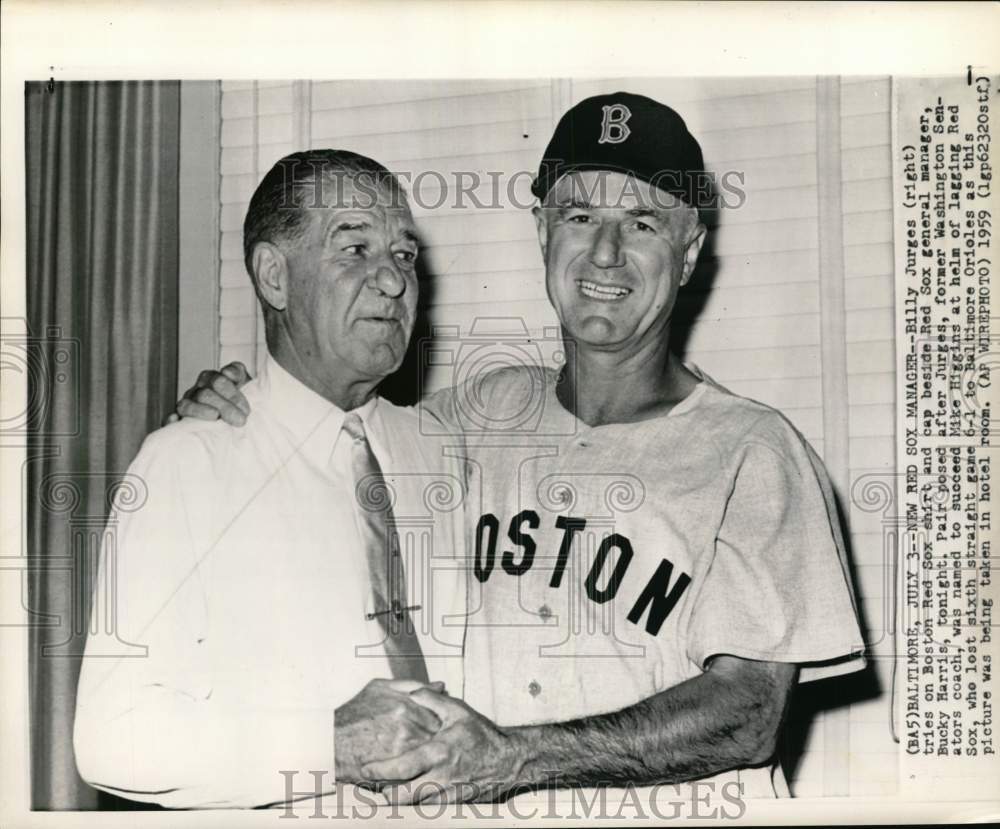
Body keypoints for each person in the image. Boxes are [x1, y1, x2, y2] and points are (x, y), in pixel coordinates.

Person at [175, 93, 866, 804]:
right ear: (543, 233)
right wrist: (238, 409)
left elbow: (748, 713)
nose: (605, 252)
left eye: (642, 222)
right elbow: (326, 431)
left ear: (687, 253)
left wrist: (517, 758)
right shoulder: (463, 422)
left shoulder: (755, 452)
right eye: (579, 216)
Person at [72, 150, 467, 808]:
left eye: (404, 254)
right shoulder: (189, 464)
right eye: (356, 248)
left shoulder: (447, 456)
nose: (394, 281)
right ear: (274, 277)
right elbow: (112, 737)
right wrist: (324, 744)